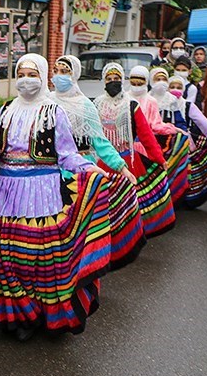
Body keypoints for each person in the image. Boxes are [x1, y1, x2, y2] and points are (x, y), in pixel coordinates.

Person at [0, 53, 111, 342]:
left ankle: (34, 314)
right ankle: (11, 314)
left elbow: (67, 154)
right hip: (6, 191)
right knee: (3, 254)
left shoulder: (53, 112)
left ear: (42, 76)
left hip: (42, 190)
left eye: (32, 75)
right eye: (21, 74)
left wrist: (91, 170)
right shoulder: (7, 110)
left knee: (34, 258)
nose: (26, 80)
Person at [49, 55, 144, 271]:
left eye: (65, 71)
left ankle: (80, 269)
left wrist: (121, 167)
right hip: (50, 172)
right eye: (56, 70)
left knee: (77, 225)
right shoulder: (46, 101)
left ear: (74, 75)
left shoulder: (85, 106)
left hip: (80, 172)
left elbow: (100, 142)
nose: (59, 76)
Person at [95, 63, 175, 238]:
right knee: (105, 204)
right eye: (109, 79)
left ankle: (130, 237)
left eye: (117, 78)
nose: (113, 82)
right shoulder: (97, 105)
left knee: (129, 203)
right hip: (104, 162)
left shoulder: (131, 105)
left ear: (122, 80)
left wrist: (159, 159)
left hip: (128, 161)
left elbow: (147, 136)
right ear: (103, 81)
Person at [165, 74, 207, 210]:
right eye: (172, 86)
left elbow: (203, 122)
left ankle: (181, 198)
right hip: (164, 144)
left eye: (179, 87)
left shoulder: (187, 105)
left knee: (182, 172)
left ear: (183, 90)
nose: (175, 90)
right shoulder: (159, 102)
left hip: (184, 144)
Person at [147, 66, 192, 208]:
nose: (161, 82)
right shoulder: (147, 98)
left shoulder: (172, 100)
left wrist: (181, 133)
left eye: (164, 79)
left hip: (169, 142)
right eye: (157, 79)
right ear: (151, 81)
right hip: (151, 142)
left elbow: (180, 121)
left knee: (170, 172)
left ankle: (171, 200)